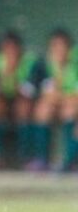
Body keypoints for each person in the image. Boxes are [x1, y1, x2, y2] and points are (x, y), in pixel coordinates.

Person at [0, 30, 40, 169]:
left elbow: (29, 93)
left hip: (22, 102)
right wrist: (3, 76)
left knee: (23, 107)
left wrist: (13, 74)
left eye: (13, 49)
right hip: (2, 100)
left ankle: (25, 157)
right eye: (6, 49)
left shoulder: (30, 62)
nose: (10, 53)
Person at [26, 28, 78, 172]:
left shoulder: (75, 64)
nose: (59, 50)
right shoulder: (42, 65)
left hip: (72, 108)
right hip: (54, 106)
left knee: (71, 110)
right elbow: (33, 91)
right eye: (55, 46)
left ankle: (71, 161)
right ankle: (41, 159)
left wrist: (62, 98)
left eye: (63, 46)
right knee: (42, 109)